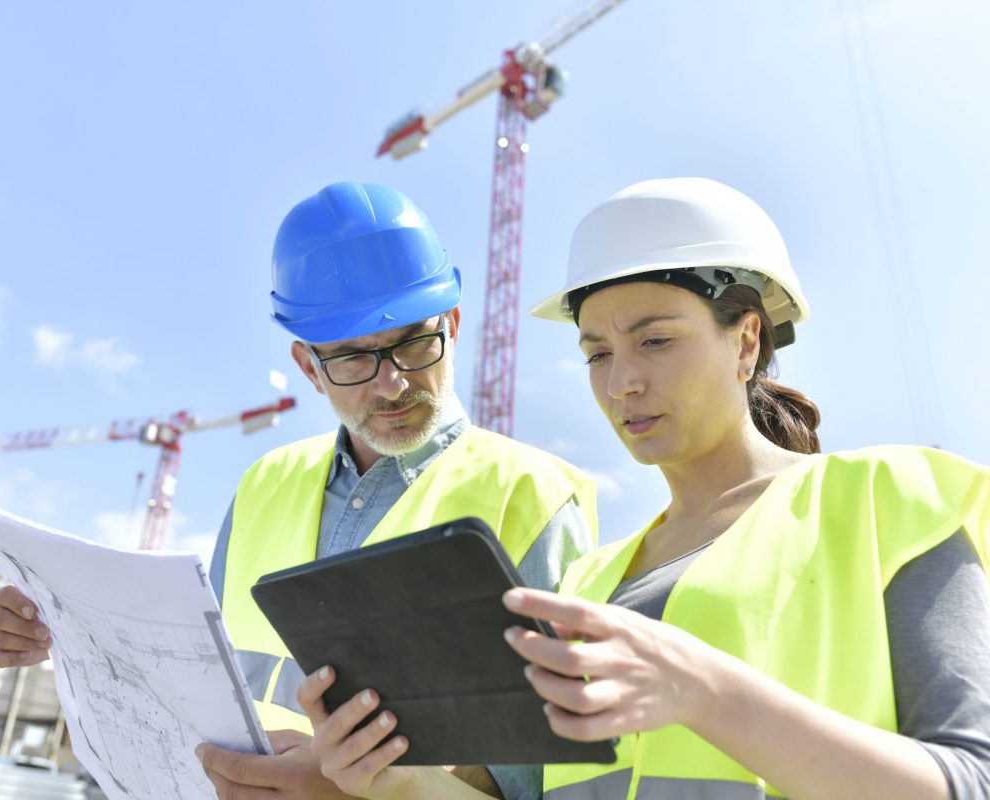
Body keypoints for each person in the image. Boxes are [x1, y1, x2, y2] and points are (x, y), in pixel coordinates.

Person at [297, 177, 990, 800]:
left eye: (654, 341)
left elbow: (970, 781)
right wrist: (404, 785)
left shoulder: (885, 499)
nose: (621, 381)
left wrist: (707, 692)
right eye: (597, 352)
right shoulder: (585, 582)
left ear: (745, 341)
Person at [0, 181, 598, 799]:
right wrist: (67, 632)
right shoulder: (266, 482)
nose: (390, 385)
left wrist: (368, 788)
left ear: (454, 326)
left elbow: (543, 780)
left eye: (414, 344)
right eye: (353, 359)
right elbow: (198, 679)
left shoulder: (537, 495)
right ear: (308, 367)